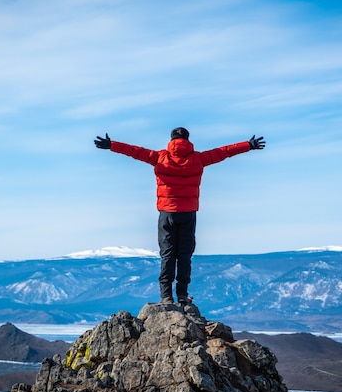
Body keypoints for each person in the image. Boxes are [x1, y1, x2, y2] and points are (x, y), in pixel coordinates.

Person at [94, 127, 265, 304]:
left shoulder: (160, 157)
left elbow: (135, 151)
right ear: (188, 139)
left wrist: (111, 145)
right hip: (188, 214)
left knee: (167, 254)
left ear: (171, 139)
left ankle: (166, 296)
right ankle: (182, 295)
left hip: (167, 213)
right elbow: (223, 152)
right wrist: (248, 145)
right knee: (184, 255)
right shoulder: (198, 159)